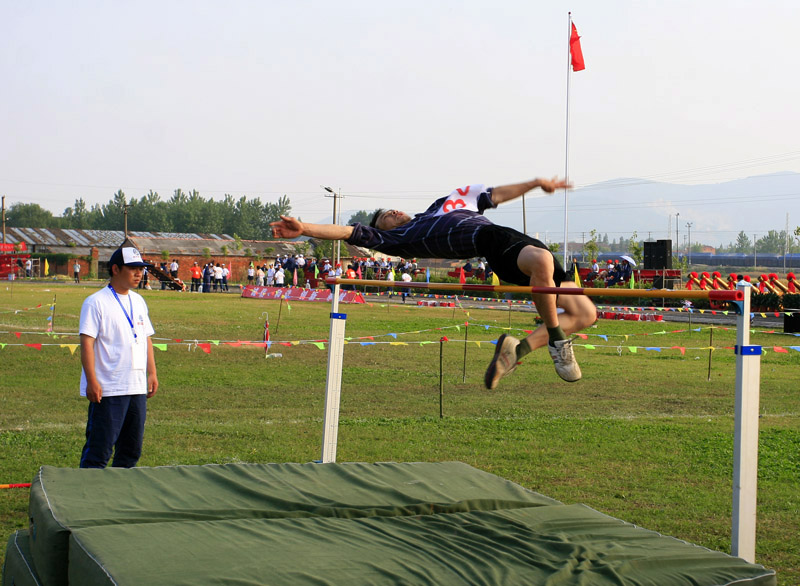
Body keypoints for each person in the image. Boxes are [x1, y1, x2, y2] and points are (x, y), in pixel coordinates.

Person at [271, 177, 595, 388]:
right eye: (385, 215)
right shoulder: (396, 238)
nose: (393, 213)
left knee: (585, 314)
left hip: (508, 237)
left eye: (393, 210)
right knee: (540, 262)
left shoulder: (448, 201)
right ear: (382, 229)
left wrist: (536, 183)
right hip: (492, 244)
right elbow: (345, 231)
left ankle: (517, 349)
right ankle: (557, 343)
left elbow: (495, 194)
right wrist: (304, 228)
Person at [78, 245, 158, 468]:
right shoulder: (96, 302)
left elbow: (146, 339)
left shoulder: (139, 301)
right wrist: (92, 381)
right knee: (99, 449)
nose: (139, 274)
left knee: (131, 450)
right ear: (115, 269)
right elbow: (87, 343)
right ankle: (88, 497)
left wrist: (152, 373)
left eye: (141, 269)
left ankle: (120, 497)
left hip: (135, 387)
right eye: (132, 268)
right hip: (109, 388)